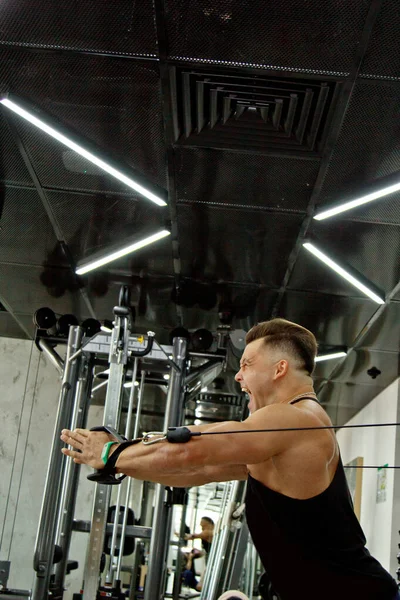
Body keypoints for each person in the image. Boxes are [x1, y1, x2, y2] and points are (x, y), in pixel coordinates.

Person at [61, 318, 399, 600]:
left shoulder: (297, 419)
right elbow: (199, 469)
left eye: (247, 365)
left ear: (279, 369)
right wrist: (121, 462)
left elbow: (195, 449)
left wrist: (111, 453)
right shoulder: (288, 435)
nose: (238, 376)